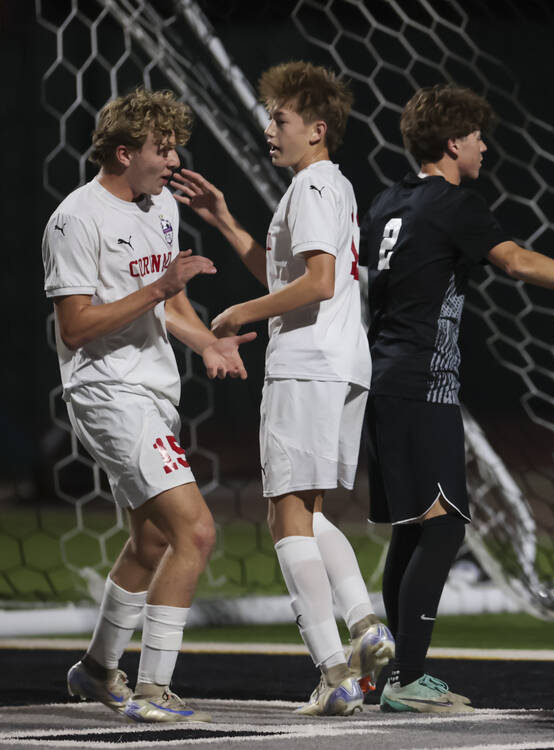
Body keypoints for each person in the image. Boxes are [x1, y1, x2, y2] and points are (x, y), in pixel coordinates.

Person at [357, 84, 554, 713]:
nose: (483, 146)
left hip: (383, 378)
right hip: (422, 384)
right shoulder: (452, 204)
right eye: (475, 137)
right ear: (452, 143)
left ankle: (393, 671)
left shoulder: (386, 202)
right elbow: (517, 262)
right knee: (445, 527)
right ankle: (407, 676)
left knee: (415, 530)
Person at [170, 61, 392, 716]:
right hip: (338, 361)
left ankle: (332, 669)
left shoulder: (314, 186)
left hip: (308, 362)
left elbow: (317, 282)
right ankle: (364, 628)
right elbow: (285, 271)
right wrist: (225, 220)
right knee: (309, 511)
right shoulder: (328, 185)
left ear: (317, 129)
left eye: (280, 119)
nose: (270, 129)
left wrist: (243, 311)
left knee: (284, 515)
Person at [44, 88, 254, 723]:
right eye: (162, 149)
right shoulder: (75, 220)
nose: (172, 159)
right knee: (195, 530)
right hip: (106, 390)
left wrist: (207, 340)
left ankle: (97, 670)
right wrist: (160, 286)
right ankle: (155, 689)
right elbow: (76, 327)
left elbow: (169, 304)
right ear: (122, 152)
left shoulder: (159, 204)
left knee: (150, 542)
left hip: (153, 388)